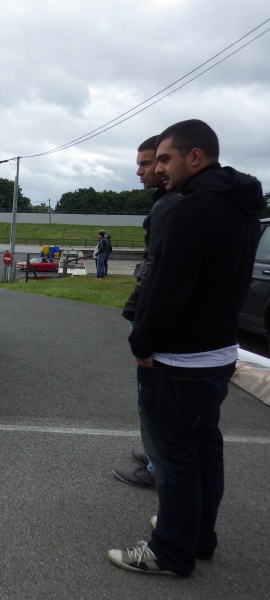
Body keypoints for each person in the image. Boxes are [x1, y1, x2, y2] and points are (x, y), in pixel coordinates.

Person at [108, 119, 263, 577]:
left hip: (176, 358)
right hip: (218, 352)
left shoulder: (191, 209)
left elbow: (167, 286)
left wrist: (142, 341)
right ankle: (197, 537)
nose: (158, 168)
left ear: (195, 156)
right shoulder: (243, 207)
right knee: (203, 450)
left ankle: (170, 550)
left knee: (174, 458)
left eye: (165, 158)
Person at [113, 135, 184, 490]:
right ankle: (155, 455)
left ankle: (158, 467)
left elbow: (156, 267)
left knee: (152, 394)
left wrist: (136, 314)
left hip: (150, 313)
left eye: (147, 163)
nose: (142, 171)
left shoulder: (168, 205)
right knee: (154, 394)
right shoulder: (167, 202)